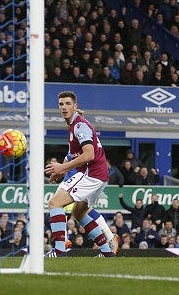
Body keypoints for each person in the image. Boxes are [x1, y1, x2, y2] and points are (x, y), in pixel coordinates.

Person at [44, 91, 114, 257]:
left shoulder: (79, 126)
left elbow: (89, 154)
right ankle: (107, 252)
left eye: (68, 103)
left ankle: (59, 251)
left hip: (91, 174)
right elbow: (74, 154)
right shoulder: (75, 125)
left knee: (55, 203)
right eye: (61, 104)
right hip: (99, 175)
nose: (64, 107)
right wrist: (64, 168)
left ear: (75, 106)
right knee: (78, 213)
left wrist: (62, 168)